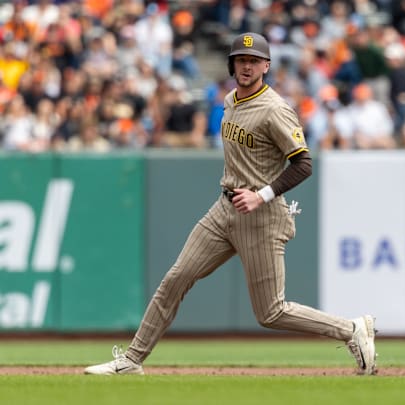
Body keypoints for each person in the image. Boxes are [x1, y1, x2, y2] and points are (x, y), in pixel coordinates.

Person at [84, 32, 377, 376]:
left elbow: (304, 164)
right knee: (176, 278)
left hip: (261, 215)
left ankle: (351, 330)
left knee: (270, 312)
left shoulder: (275, 110)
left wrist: (262, 194)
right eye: (241, 60)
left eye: (254, 61)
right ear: (232, 64)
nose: (247, 66)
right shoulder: (230, 100)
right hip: (225, 208)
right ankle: (132, 360)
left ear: (266, 66)